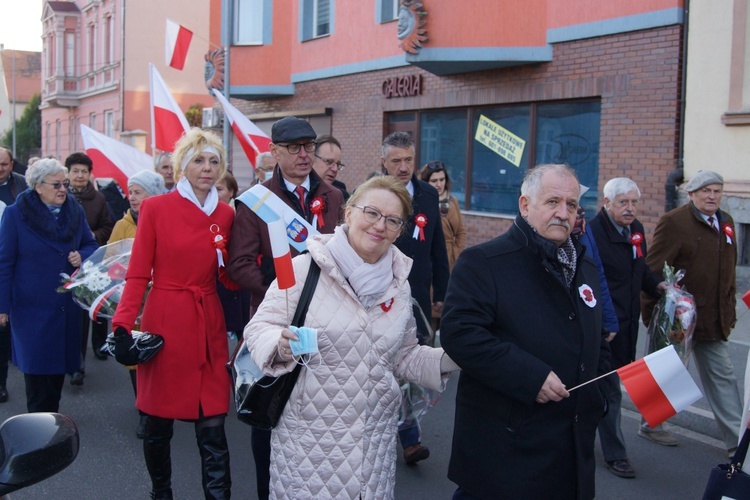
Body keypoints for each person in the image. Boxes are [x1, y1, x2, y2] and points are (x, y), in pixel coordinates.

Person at [245, 175, 459, 499]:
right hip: (309, 452)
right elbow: (258, 328)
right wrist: (279, 342)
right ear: (349, 213)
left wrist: (453, 356)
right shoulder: (304, 269)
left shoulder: (399, 286)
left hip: (373, 457)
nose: (379, 225)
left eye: (391, 220)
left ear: (400, 230)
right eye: (371, 213)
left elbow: (403, 357)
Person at [441, 164, 610, 499]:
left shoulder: (584, 266)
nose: (564, 213)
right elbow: (460, 334)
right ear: (524, 205)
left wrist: (599, 395)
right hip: (506, 454)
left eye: (572, 205)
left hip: (571, 453)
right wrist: (530, 377)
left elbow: (595, 336)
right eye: (553, 202)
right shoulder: (484, 262)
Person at [112, 128, 236, 499]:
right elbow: (137, 274)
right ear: (182, 165)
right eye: (199, 160)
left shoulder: (227, 215)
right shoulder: (155, 208)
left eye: (214, 161)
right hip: (165, 321)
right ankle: (161, 492)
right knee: (157, 423)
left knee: (213, 421)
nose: (207, 168)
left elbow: (228, 278)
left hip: (207, 323)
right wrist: (121, 326)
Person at [227, 116, 344, 500]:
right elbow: (239, 264)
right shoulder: (257, 200)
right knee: (270, 416)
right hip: (276, 322)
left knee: (321, 417)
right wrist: (283, 291)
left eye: (309, 146)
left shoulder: (334, 196)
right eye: (293, 147)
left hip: (326, 323)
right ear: (275, 152)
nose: (303, 154)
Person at [642, 170, 744, 458]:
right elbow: (653, 269)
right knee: (669, 374)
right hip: (679, 320)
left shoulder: (727, 222)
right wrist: (653, 315)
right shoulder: (674, 222)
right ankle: (651, 424)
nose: (712, 196)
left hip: (713, 319)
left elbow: (730, 271)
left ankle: (737, 442)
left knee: (723, 378)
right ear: (692, 194)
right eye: (705, 191)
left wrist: (729, 310)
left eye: (717, 191)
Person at [0, 159, 98, 413]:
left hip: (65, 307)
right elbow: (4, 263)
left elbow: (91, 245)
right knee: (36, 378)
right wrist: (2, 307)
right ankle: (37, 438)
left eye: (64, 184)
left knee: (55, 380)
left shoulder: (73, 209)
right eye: (56, 184)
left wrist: (82, 255)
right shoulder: (15, 214)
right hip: (31, 309)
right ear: (37, 186)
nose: (63, 189)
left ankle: (51, 433)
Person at [587, 177, 666, 478]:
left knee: (601, 388)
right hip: (603, 326)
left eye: (634, 202)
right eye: (624, 202)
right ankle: (616, 454)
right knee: (610, 391)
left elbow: (640, 268)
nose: (630, 209)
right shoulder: (593, 233)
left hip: (628, 325)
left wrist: (658, 284)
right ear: (607, 203)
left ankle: (576, 436)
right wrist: (602, 320)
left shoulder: (636, 231)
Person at [381, 131, 450, 464]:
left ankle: (408, 434)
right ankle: (390, 434)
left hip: (419, 296)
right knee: (383, 367)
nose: (404, 166)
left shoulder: (426, 194)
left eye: (408, 159)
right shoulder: (374, 194)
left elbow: (437, 246)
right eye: (396, 161)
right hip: (380, 294)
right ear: (384, 162)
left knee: (410, 366)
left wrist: (443, 292)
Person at [107, 169, 165, 439]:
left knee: (158, 351)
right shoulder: (122, 225)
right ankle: (144, 412)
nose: (132, 197)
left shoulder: (166, 217)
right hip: (132, 299)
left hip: (159, 297)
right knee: (134, 355)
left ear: (153, 194)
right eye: (130, 192)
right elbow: (110, 258)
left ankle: (160, 404)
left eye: (138, 192)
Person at [65, 152, 115, 385]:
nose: (79, 175)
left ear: (90, 174)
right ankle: (75, 363)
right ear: (68, 173)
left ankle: (98, 345)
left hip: (94, 261)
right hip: (67, 262)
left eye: (84, 171)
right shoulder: (60, 196)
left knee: (95, 307)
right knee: (73, 315)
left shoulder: (99, 199)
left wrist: (91, 237)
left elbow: (108, 226)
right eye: (75, 171)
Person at [0, 146, 28, 403]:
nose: (0, 169)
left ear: (11, 164)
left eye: (4, 164)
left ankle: (1, 383)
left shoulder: (21, 186)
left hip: (9, 262)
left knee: (2, 327)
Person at [419, 161, 466, 270]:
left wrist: (457, 253)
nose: (439, 184)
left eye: (442, 179)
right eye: (434, 181)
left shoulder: (453, 202)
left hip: (451, 259)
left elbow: (461, 232)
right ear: (426, 182)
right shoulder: (420, 204)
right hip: (429, 261)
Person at [312, 134, 349, 200]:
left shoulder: (340, 196)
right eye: (328, 161)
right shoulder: (299, 190)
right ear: (312, 159)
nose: (335, 169)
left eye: (337, 164)